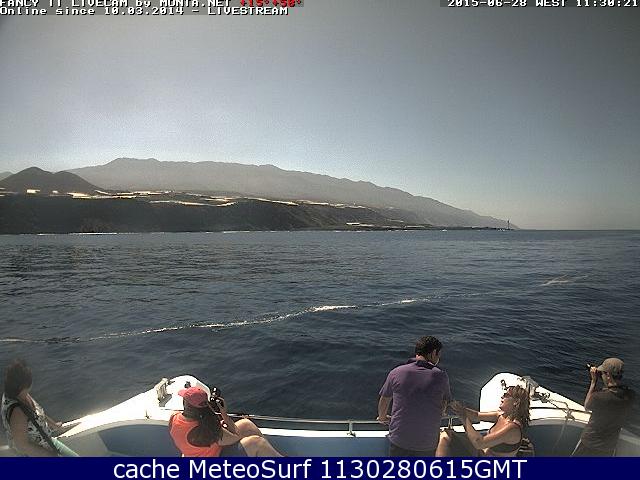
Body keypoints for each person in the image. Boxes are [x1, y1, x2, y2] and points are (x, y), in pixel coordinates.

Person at [377, 335, 451, 456]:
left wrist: (382, 417)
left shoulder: (396, 372)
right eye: (438, 355)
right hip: (427, 443)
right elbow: (444, 404)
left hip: (399, 440)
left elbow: (384, 400)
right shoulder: (441, 376)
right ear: (433, 353)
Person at [169, 386, 282, 457]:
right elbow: (236, 436)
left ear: (186, 405)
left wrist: (218, 427)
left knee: (246, 424)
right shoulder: (208, 430)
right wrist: (224, 414)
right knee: (257, 443)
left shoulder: (173, 417)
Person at [1, 359, 78, 457]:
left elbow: (38, 413)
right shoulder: (17, 412)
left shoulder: (21, 394)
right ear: (25, 384)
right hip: (36, 454)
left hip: (47, 441)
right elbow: (22, 445)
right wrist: (50, 455)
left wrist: (54, 425)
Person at [436, 385, 530, 457]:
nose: (502, 396)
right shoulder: (501, 415)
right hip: (482, 454)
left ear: (516, 402)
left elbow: (479, 443)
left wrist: (463, 418)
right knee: (445, 435)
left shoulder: (512, 428)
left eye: (506, 395)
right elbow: (476, 416)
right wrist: (459, 408)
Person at [572, 357, 636, 456]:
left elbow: (587, 406)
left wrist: (593, 382)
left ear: (608, 375)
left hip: (590, 443)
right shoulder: (630, 395)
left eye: (602, 373)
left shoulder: (600, 397)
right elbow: (616, 392)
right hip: (609, 447)